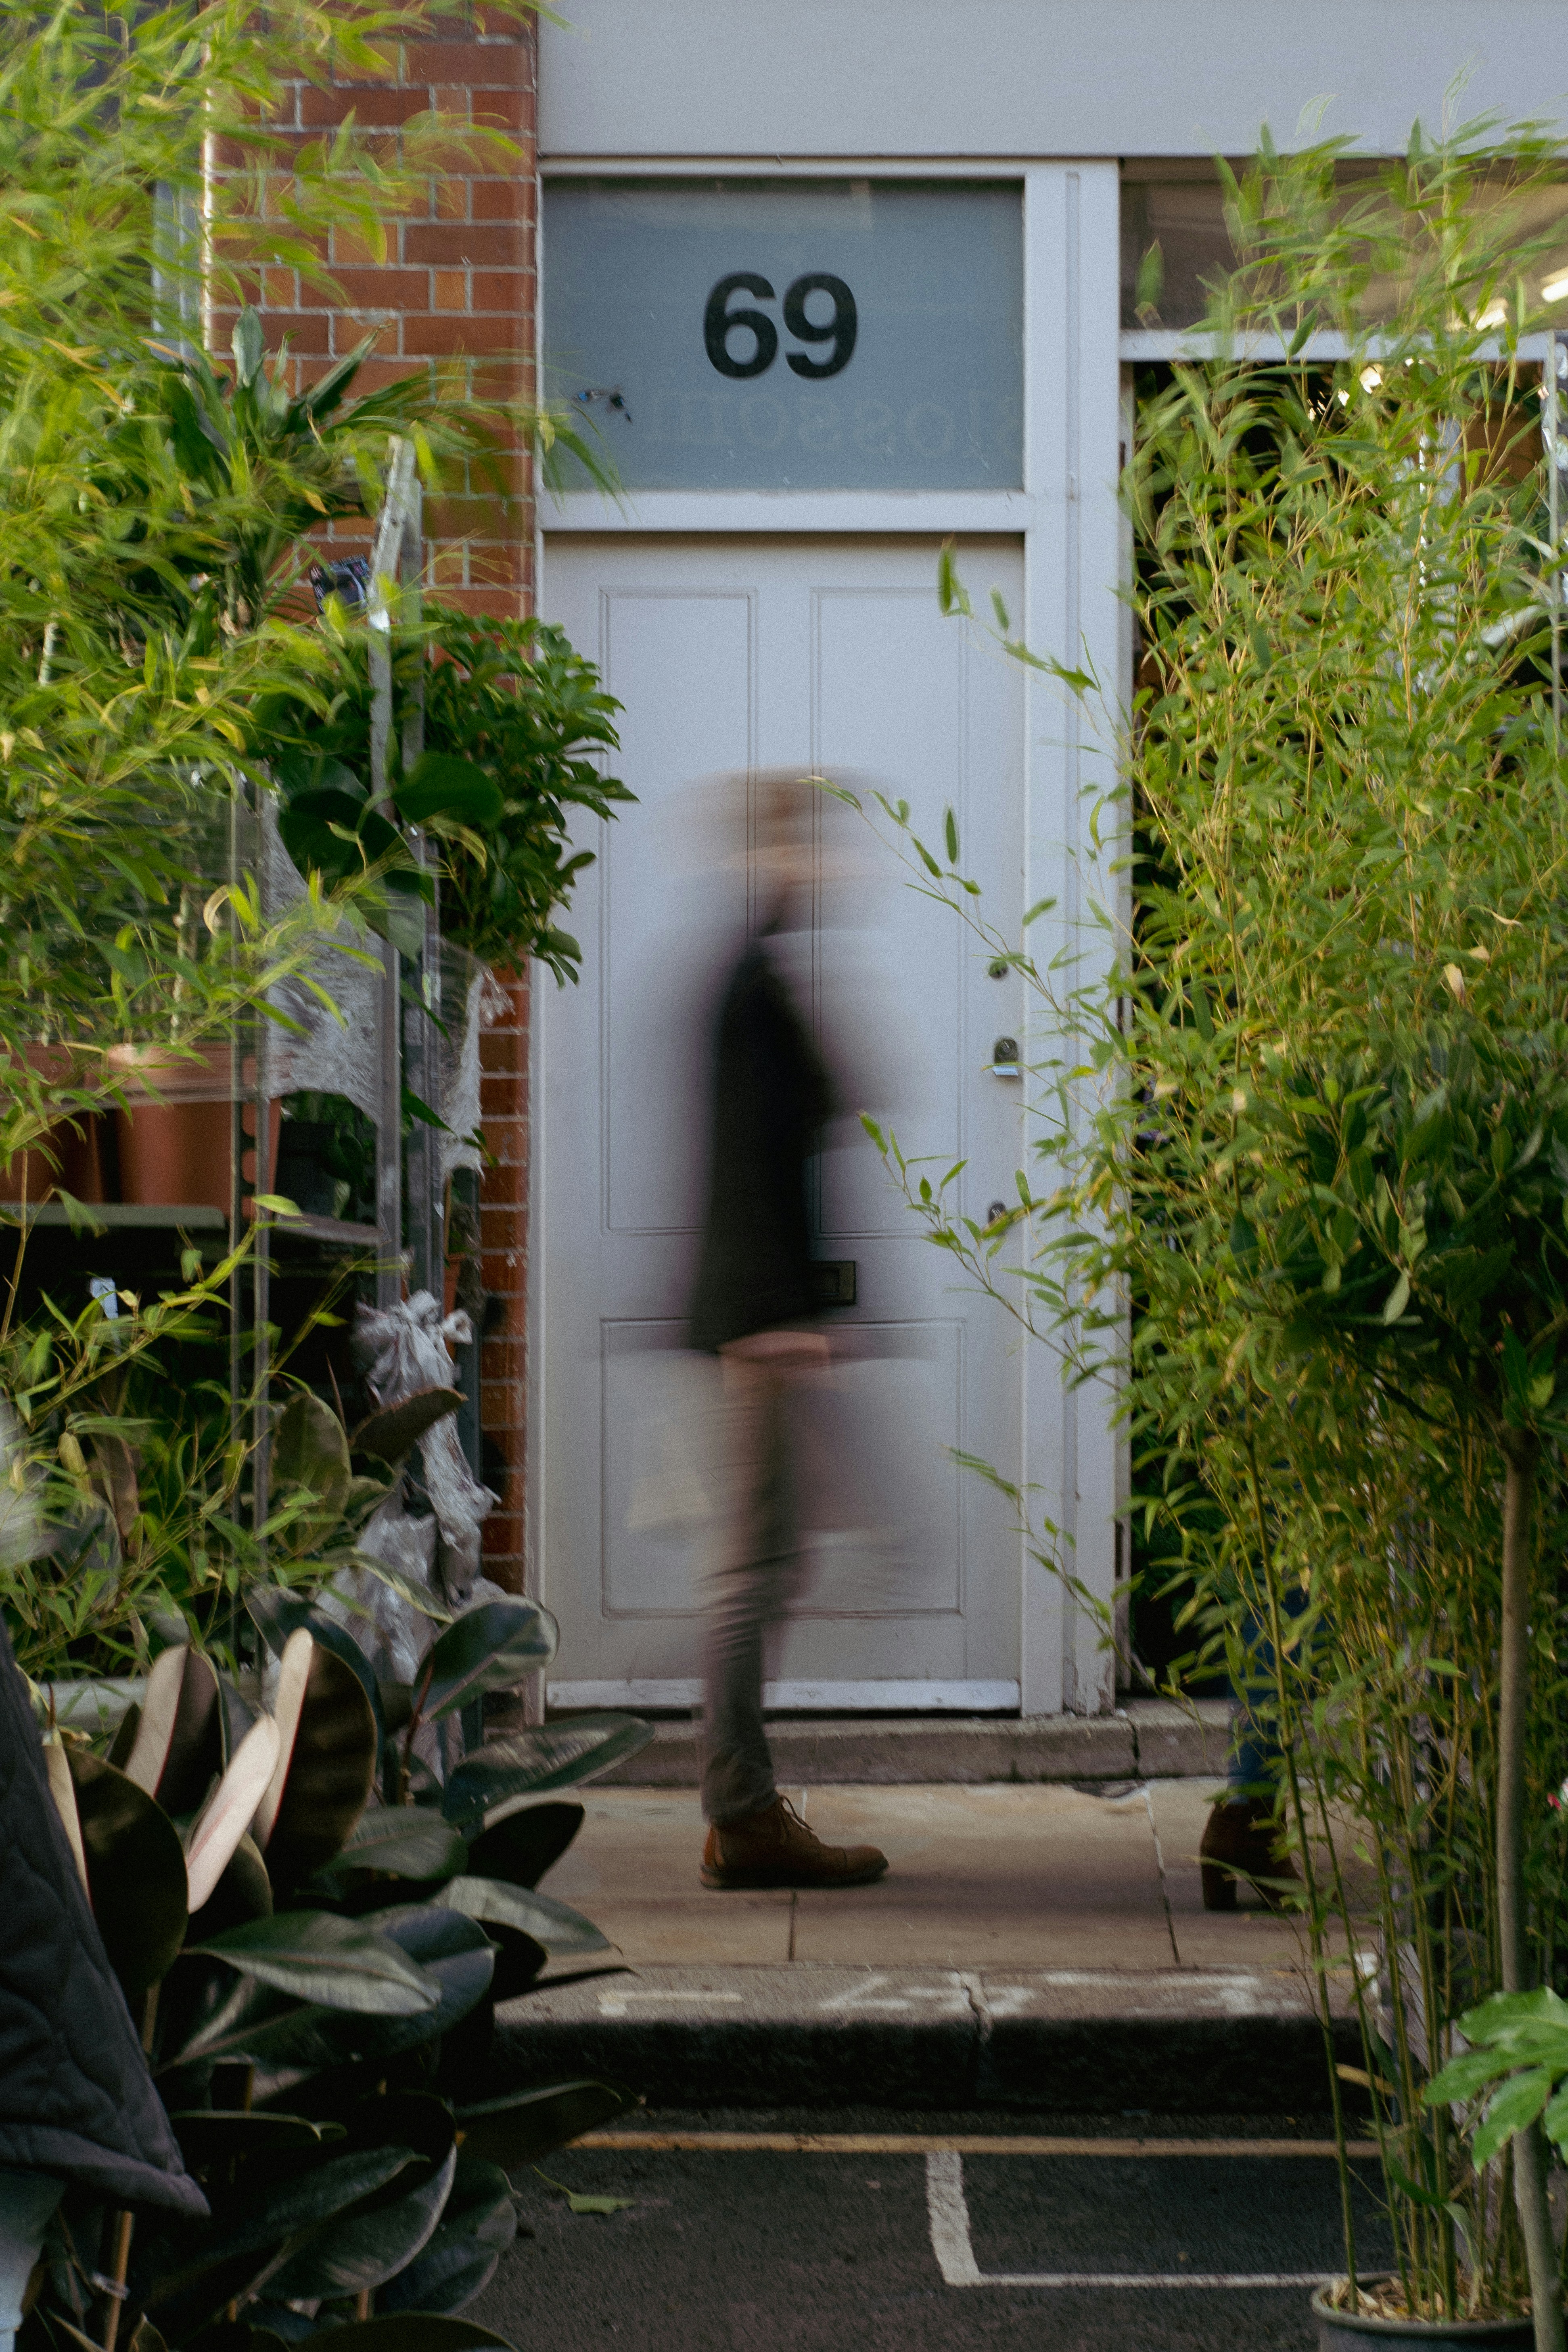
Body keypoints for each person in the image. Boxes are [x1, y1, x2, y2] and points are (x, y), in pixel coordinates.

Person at [687, 780, 888, 1892]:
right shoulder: (749, 986)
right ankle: (741, 1812)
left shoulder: (764, 976)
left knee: (767, 1562)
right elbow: (745, 1163)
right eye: (813, 844)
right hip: (760, 1319)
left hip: (765, 1313)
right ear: (772, 854)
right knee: (754, 1569)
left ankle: (740, 1806)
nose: (834, 863)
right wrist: (780, 1320)